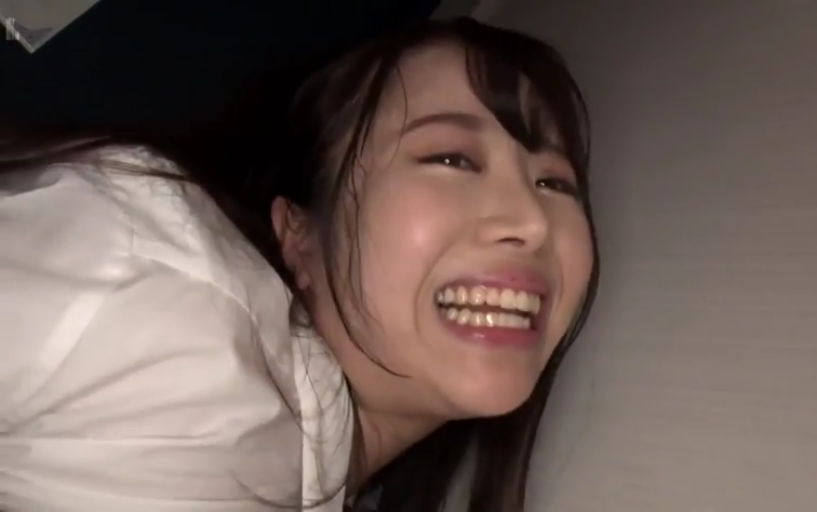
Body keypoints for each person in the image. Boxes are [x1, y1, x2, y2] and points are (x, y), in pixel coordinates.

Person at [0, 17, 600, 512]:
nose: (531, 220)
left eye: (555, 182)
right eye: (451, 158)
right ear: (299, 233)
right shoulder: (161, 284)